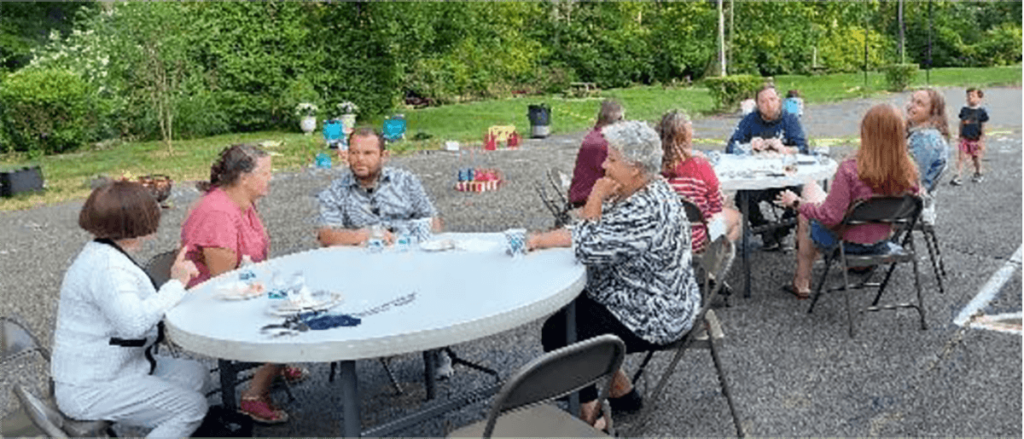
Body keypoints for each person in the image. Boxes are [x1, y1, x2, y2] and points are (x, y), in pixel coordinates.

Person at [526, 121, 700, 428]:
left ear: (634, 168)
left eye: (613, 159)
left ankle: (594, 421)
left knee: (560, 332)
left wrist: (540, 239)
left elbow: (587, 241)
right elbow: (593, 234)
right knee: (574, 309)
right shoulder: (650, 187)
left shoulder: (644, 209)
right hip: (661, 295)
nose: (605, 164)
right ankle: (622, 394)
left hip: (658, 314)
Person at [52, 181, 208, 438]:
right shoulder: (108, 268)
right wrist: (177, 284)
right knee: (191, 408)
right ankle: (169, 422)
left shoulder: (104, 251)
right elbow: (134, 324)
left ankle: (158, 425)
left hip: (121, 368)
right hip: (91, 387)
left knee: (195, 374)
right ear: (137, 223)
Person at [180, 143, 302, 424]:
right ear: (244, 178)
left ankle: (276, 361)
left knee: (299, 293)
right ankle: (254, 395)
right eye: (266, 173)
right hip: (211, 303)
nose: (271, 178)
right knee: (296, 312)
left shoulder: (241, 202)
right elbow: (224, 284)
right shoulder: (217, 214)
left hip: (241, 288)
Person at [774, 104, 920, 299]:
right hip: (882, 242)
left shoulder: (851, 169)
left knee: (804, 214)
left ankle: (801, 282)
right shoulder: (909, 171)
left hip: (847, 243)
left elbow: (830, 217)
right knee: (811, 189)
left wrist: (796, 203)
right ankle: (858, 264)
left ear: (866, 133)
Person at [317, 126, 441, 247]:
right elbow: (326, 235)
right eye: (354, 153)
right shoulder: (335, 191)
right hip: (364, 259)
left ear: (384, 156)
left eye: (368, 153)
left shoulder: (406, 181)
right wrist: (365, 235)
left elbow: (432, 220)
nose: (359, 159)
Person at [726, 84, 809, 250]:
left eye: (772, 99)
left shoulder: (790, 119)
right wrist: (749, 146)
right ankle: (765, 231)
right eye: (763, 101)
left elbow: (804, 149)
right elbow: (730, 147)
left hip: (784, 178)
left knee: (800, 194)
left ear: (779, 100)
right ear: (757, 104)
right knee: (742, 197)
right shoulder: (750, 120)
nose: (768, 104)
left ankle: (782, 231)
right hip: (756, 177)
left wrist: (784, 149)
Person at [658, 110, 742, 252]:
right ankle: (713, 256)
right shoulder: (699, 166)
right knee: (737, 218)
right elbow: (715, 207)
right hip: (696, 238)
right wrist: (723, 201)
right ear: (687, 138)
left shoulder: (653, 166)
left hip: (663, 238)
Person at [568, 100, 624, 208]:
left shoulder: (594, 135)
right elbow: (617, 178)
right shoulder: (604, 143)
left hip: (581, 193)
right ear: (619, 120)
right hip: (587, 200)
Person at [904, 88, 950, 192]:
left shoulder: (925, 139)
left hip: (913, 203)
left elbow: (915, 177)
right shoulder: (924, 134)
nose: (911, 105)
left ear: (932, 111)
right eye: (912, 100)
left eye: (919, 103)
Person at [952, 87, 989, 185]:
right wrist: (959, 134)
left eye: (972, 95)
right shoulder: (964, 110)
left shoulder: (981, 112)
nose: (969, 98)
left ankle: (978, 172)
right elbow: (961, 123)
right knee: (961, 157)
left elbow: (983, 126)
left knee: (975, 157)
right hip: (965, 137)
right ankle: (958, 175)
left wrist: (981, 139)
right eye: (968, 96)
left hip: (975, 139)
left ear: (979, 98)